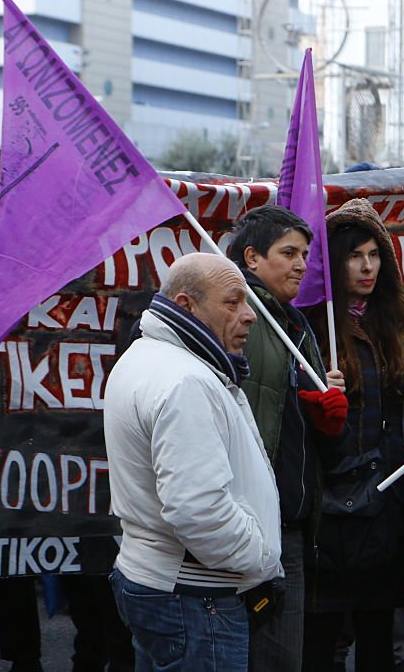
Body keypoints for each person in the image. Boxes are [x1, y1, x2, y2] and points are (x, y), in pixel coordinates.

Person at [104, 253, 282, 672]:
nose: (249, 315)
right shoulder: (186, 380)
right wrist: (259, 557)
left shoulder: (149, 358)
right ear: (186, 305)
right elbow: (197, 510)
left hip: (168, 586)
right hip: (198, 600)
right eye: (232, 302)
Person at [228, 205, 348, 672]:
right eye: (289, 252)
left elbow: (316, 439)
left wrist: (329, 421)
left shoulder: (294, 324)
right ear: (252, 258)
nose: (301, 264)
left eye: (305, 253)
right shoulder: (244, 319)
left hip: (290, 525)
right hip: (248, 524)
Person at [301, 198, 404, 672]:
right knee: (321, 641)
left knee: (378, 640)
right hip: (328, 507)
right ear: (333, 262)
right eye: (354, 255)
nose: (367, 266)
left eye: (374, 255)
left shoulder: (391, 322)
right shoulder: (309, 327)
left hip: (384, 505)